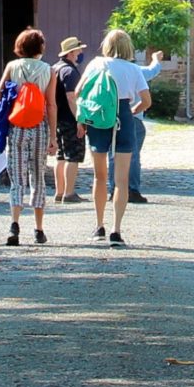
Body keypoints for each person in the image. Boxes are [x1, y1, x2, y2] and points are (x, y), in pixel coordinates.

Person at [78, 28, 151, 245]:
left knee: (99, 176)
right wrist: (134, 110)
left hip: (99, 117)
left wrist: (82, 119)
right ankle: (116, 230)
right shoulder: (133, 69)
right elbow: (146, 100)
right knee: (121, 179)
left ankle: (99, 225)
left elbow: (79, 91)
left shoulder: (96, 64)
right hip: (123, 117)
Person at [0, 28, 60, 246]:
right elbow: (51, 105)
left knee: (17, 178)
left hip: (16, 127)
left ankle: (14, 224)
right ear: (40, 47)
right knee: (37, 176)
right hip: (39, 127)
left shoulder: (12, 67)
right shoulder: (49, 70)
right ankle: (38, 229)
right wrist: (53, 136)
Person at [127, 46, 170, 203]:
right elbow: (153, 70)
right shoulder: (136, 70)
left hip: (114, 117)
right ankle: (132, 190)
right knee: (133, 155)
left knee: (114, 155)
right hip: (134, 117)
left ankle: (114, 189)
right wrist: (156, 59)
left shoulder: (108, 69)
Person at [52, 37, 88, 204]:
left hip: (57, 118)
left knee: (60, 156)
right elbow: (71, 97)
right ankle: (69, 193)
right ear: (71, 52)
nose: (81, 52)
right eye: (78, 49)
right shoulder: (70, 72)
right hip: (69, 119)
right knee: (72, 156)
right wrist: (79, 119)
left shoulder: (55, 68)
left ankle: (59, 192)